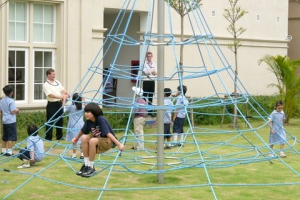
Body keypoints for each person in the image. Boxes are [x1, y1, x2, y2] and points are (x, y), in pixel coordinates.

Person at [72, 103, 125, 177]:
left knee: (92, 140)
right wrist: (77, 138)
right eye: (85, 112)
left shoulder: (100, 119)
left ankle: (91, 167)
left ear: (94, 112)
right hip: (98, 139)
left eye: (88, 112)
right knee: (84, 137)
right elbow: (83, 131)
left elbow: (108, 133)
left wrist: (119, 144)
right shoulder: (89, 121)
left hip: (108, 141)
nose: (86, 114)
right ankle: (86, 165)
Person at [43, 69, 70, 141]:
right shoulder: (46, 85)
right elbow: (51, 95)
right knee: (50, 120)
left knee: (60, 120)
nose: (54, 76)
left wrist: (66, 93)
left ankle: (59, 136)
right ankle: (48, 137)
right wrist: (62, 97)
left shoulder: (57, 82)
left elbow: (62, 90)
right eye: (52, 74)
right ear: (48, 75)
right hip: (52, 104)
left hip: (59, 103)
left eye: (54, 74)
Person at [0, 85, 19, 156]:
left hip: (4, 120)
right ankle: (9, 151)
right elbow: (12, 111)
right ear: (11, 93)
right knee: (11, 137)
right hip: (11, 121)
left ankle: (3, 150)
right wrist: (17, 110)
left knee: (5, 136)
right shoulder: (11, 101)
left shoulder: (1, 100)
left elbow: (1, 110)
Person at [65, 93, 84, 159]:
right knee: (81, 139)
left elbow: (64, 110)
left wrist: (65, 100)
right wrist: (84, 100)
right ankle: (82, 154)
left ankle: (74, 154)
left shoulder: (71, 107)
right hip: (81, 124)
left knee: (74, 139)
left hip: (73, 125)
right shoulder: (83, 107)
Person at [142, 52, 157, 116]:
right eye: (148, 56)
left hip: (152, 80)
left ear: (152, 56)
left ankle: (150, 111)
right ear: (146, 57)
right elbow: (145, 73)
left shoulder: (154, 63)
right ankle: (143, 111)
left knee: (151, 96)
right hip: (146, 80)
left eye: (150, 56)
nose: (149, 57)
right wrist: (151, 71)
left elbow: (156, 72)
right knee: (144, 96)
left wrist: (150, 72)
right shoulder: (144, 64)